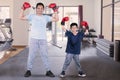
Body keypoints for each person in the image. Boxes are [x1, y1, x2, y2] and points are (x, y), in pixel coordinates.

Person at [19, 2, 59, 77]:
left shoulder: (46, 17)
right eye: (38, 8)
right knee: (31, 55)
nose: (40, 10)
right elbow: (20, 17)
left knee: (45, 55)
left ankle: (48, 70)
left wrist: (55, 10)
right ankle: (28, 70)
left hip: (43, 39)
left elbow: (56, 19)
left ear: (43, 9)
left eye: (41, 8)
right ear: (36, 9)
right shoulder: (31, 16)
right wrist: (23, 8)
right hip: (34, 39)